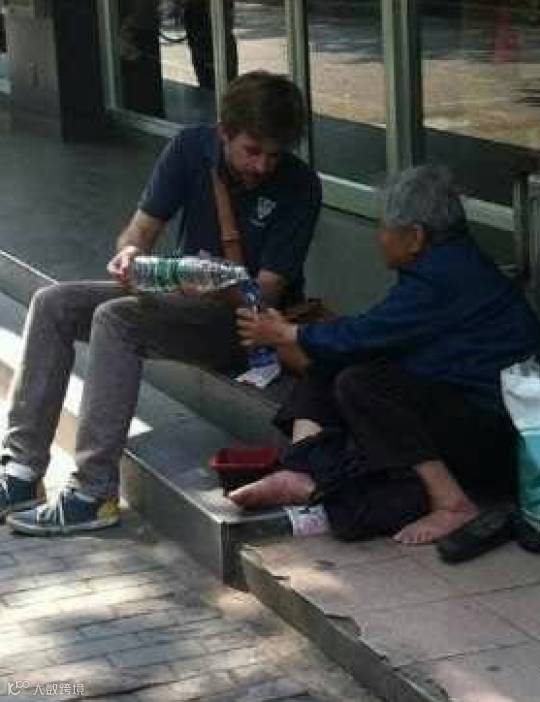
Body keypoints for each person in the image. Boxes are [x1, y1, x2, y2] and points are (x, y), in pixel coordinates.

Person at [0, 70, 321, 536]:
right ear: (224, 132)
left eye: (274, 155)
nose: (262, 166)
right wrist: (129, 255)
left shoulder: (300, 184)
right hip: (182, 298)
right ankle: (21, 472)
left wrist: (210, 283)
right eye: (252, 151)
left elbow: (266, 293)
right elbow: (139, 230)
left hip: (246, 325)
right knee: (53, 303)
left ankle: (93, 492)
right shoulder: (190, 149)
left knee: (117, 319)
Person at [232, 165, 540, 545]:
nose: (379, 238)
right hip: (460, 406)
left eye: (384, 228)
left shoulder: (443, 275)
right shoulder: (443, 263)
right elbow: (369, 336)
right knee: (335, 361)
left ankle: (452, 503)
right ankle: (303, 468)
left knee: (362, 382)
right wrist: (301, 337)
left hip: (491, 431)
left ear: (415, 237)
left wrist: (288, 333)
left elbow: (365, 334)